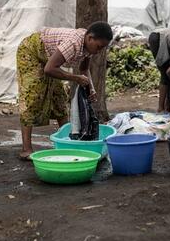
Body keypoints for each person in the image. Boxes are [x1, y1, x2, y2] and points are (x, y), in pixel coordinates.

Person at [16, 21, 113, 160]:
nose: (99, 51)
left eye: (102, 48)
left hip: (49, 59)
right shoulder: (73, 43)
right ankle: (26, 149)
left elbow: (84, 69)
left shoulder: (89, 47)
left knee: (59, 99)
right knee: (32, 96)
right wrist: (75, 78)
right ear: (90, 38)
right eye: (99, 47)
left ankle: (68, 142)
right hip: (31, 52)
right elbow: (49, 69)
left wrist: (90, 88)